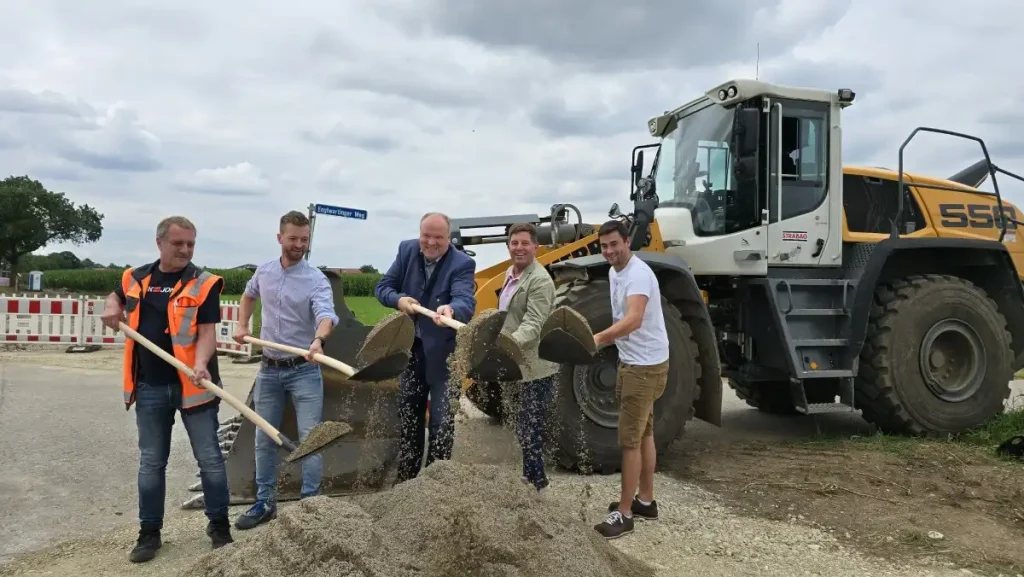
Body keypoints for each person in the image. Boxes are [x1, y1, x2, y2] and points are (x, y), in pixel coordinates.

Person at [99, 216, 233, 563]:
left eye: (191, 244)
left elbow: (206, 333)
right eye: (179, 244)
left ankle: (219, 526)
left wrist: (201, 363)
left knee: (211, 461)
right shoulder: (136, 277)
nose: (186, 250)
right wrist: (112, 305)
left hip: (195, 385)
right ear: (160, 243)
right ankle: (149, 533)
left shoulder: (203, 284)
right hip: (150, 387)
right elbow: (115, 296)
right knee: (152, 462)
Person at [231, 210, 340, 530]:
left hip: (304, 370)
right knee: (264, 438)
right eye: (293, 239)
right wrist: (242, 324)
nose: (299, 245)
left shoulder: (315, 279)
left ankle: (310, 503)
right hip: (269, 369)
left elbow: (327, 315)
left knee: (311, 439)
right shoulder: (264, 273)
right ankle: (265, 503)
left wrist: (318, 340)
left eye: (304, 240)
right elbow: (249, 295)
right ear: (280, 238)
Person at [374, 211, 477, 483]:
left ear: (449, 238)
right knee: (410, 417)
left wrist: (451, 310)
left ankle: (435, 484)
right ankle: (406, 481)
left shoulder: (462, 263)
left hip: (445, 356)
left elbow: (466, 300)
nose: (431, 243)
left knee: (442, 423)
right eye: (426, 236)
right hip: (411, 352)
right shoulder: (407, 250)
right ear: (419, 234)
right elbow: (383, 287)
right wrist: (398, 300)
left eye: (438, 238)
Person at [590, 219, 670, 540]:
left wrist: (596, 339)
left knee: (629, 441)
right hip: (635, 361)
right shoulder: (615, 272)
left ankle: (624, 514)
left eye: (614, 244)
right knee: (644, 431)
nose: (609, 251)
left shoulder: (637, 274)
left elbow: (634, 319)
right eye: (604, 246)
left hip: (644, 366)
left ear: (627, 242)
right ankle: (645, 501)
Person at [497, 222, 559, 492]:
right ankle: (529, 477)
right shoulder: (510, 275)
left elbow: (534, 324)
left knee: (530, 427)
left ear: (536, 246)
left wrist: (507, 343)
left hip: (536, 367)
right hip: (515, 362)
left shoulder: (540, 280)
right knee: (522, 426)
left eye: (524, 243)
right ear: (508, 246)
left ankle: (538, 484)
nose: (519, 248)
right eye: (514, 243)